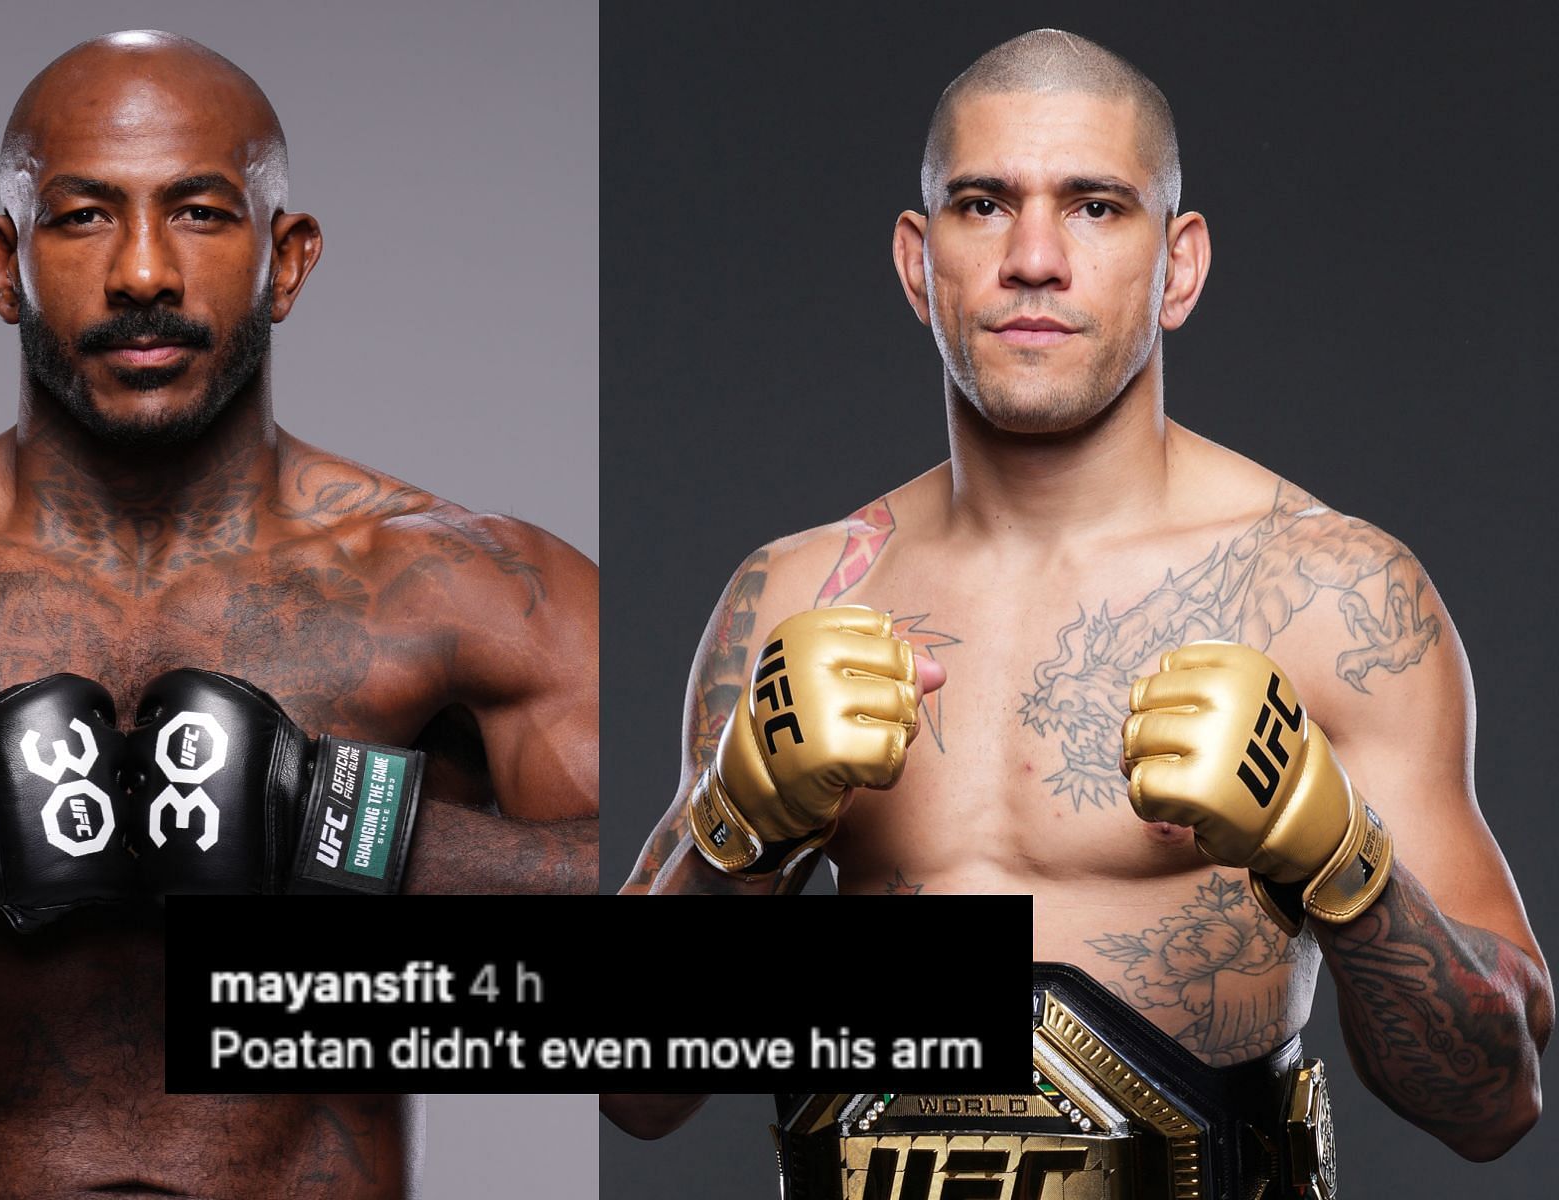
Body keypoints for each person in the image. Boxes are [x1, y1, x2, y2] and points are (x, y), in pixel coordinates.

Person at [0, 29, 597, 1198]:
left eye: (200, 212)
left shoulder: (475, 591)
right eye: (84, 216)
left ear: (287, 261)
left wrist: (341, 825)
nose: (144, 271)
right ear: (3, 264)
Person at [619, 26, 1548, 1189]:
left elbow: (1495, 1098)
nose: (1037, 257)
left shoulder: (1327, 593)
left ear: (1181, 265)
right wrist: (735, 830)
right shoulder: (791, 597)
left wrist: (1335, 853)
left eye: (1098, 206)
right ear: (919, 262)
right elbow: (635, 1091)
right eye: (983, 204)